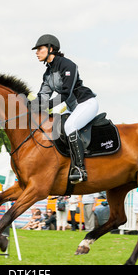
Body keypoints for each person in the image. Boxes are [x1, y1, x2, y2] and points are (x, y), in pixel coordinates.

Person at [31, 34, 98, 183]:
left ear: (50, 49)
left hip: (85, 103)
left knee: (69, 126)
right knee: (54, 127)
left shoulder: (67, 65)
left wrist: (47, 106)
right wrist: (29, 107)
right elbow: (43, 95)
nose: (36, 52)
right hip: (72, 107)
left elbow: (66, 92)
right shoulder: (48, 73)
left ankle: (80, 169)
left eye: (39, 49)